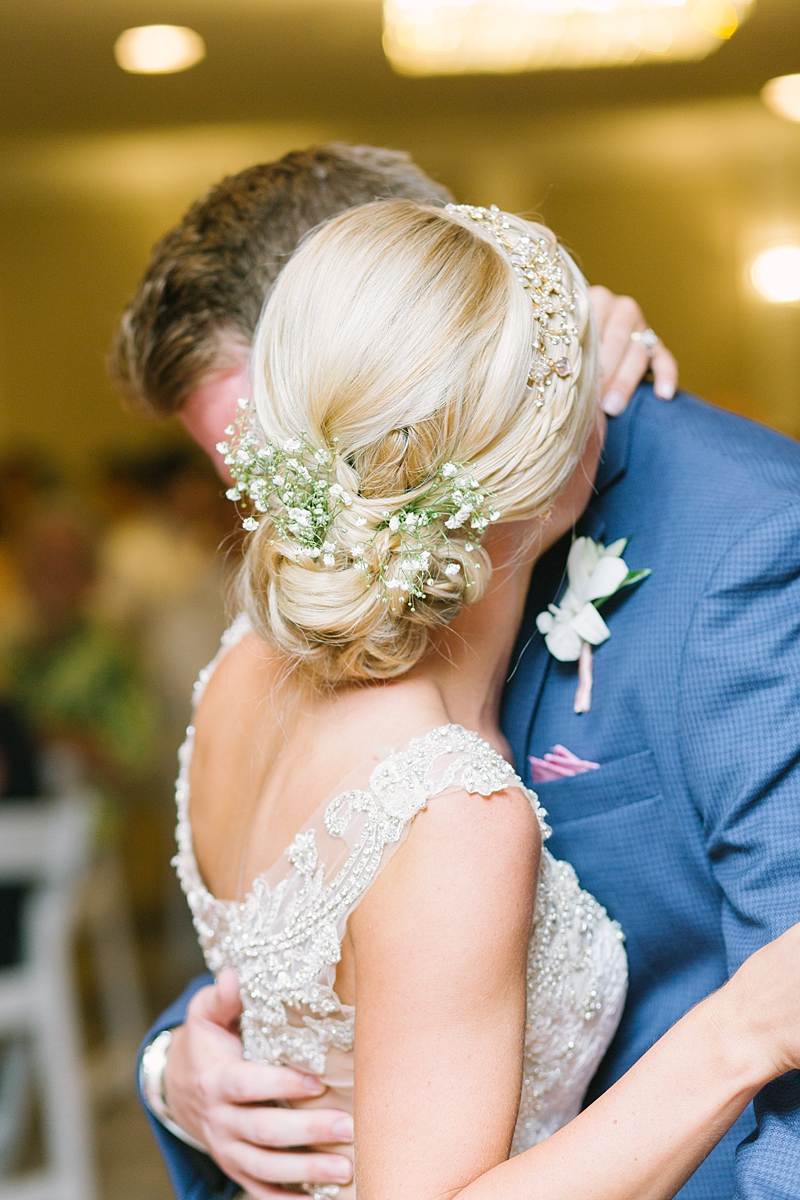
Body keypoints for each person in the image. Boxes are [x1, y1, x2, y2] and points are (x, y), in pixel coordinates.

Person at [111, 145, 790, 1200]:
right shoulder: (437, 796)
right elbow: (293, 963)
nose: (297, 492)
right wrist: (175, 1071)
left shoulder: (747, 543)